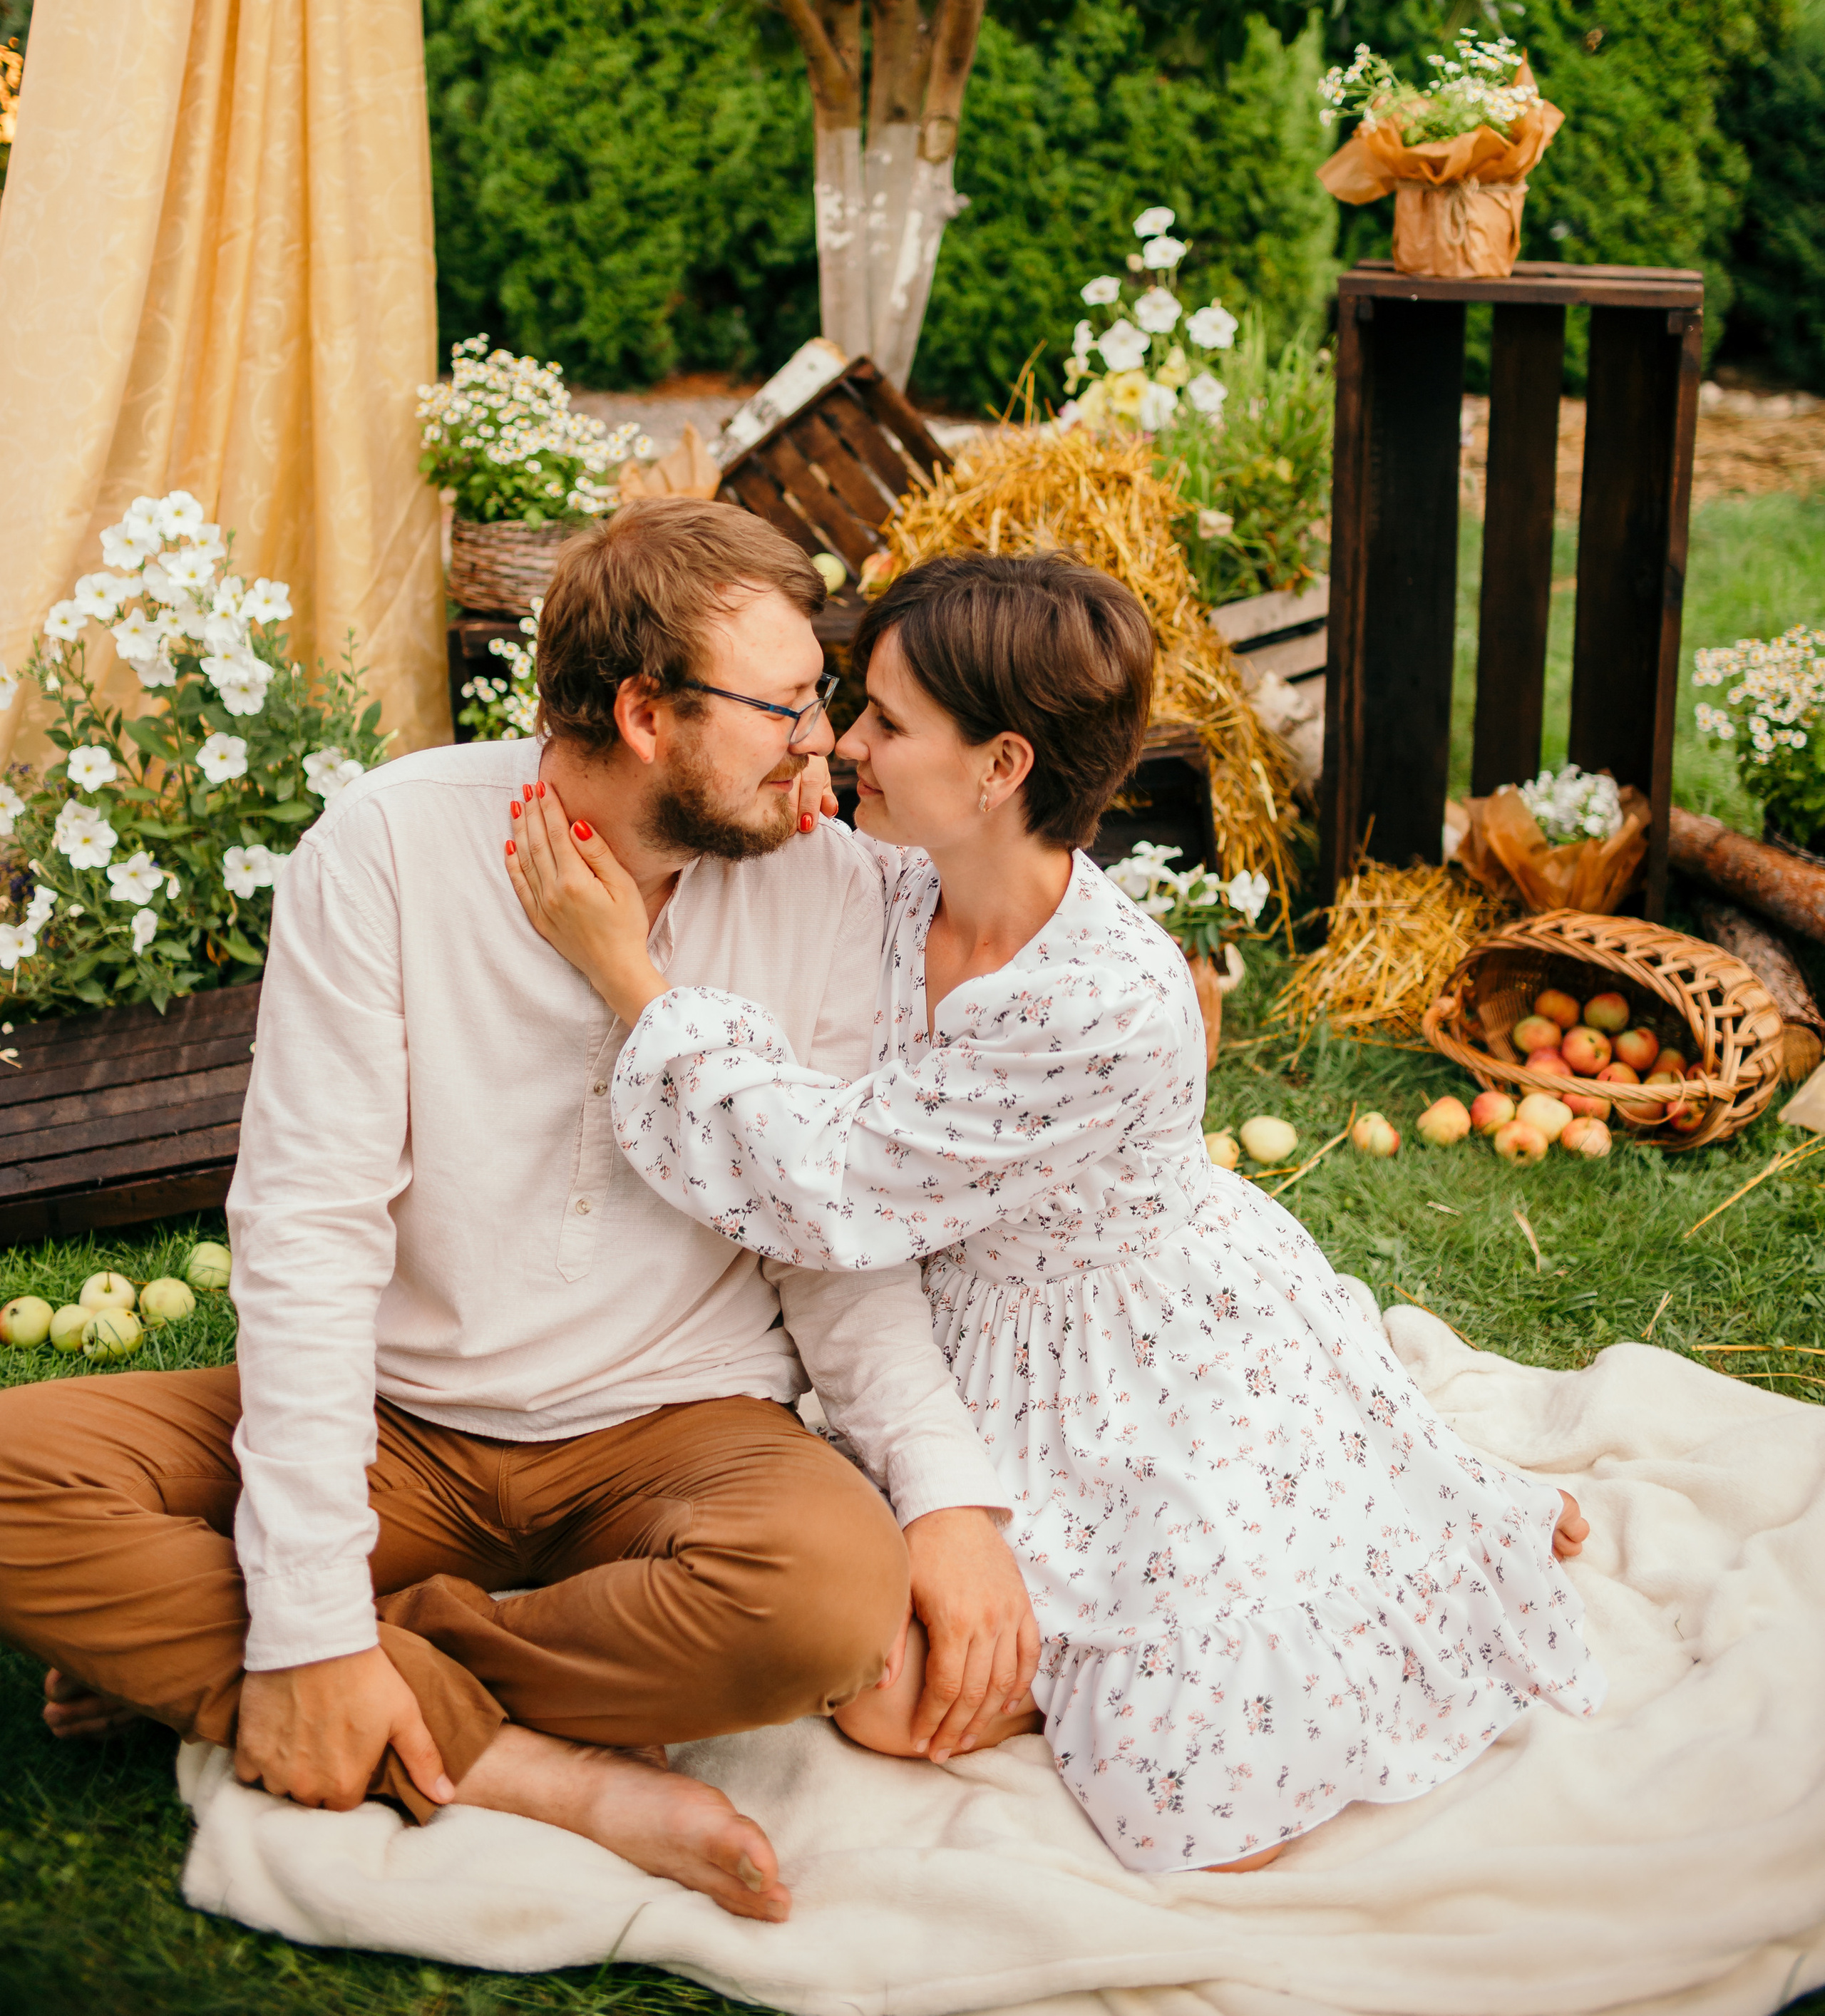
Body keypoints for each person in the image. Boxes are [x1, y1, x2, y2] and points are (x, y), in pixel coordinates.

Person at [0, 502, 1036, 1925]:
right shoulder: (387, 848)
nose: (823, 743)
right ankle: (527, 1769)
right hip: (401, 1427)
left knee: (826, 1604)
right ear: (646, 714)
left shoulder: (824, 879)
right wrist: (302, 1601)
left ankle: (327, 1668)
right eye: (788, 705)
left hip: (677, 1430)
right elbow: (308, 1239)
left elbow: (824, 1235)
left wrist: (946, 1502)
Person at [504, 548, 1603, 1877]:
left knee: (1196, 1787)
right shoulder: (889, 887)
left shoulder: (1105, 1003)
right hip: (956, 1336)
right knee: (886, 1692)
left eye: (886, 722)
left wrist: (631, 977)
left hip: (1136, 1359)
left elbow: (833, 1182)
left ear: (1000, 769)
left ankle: (1392, 1529)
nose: (844, 745)